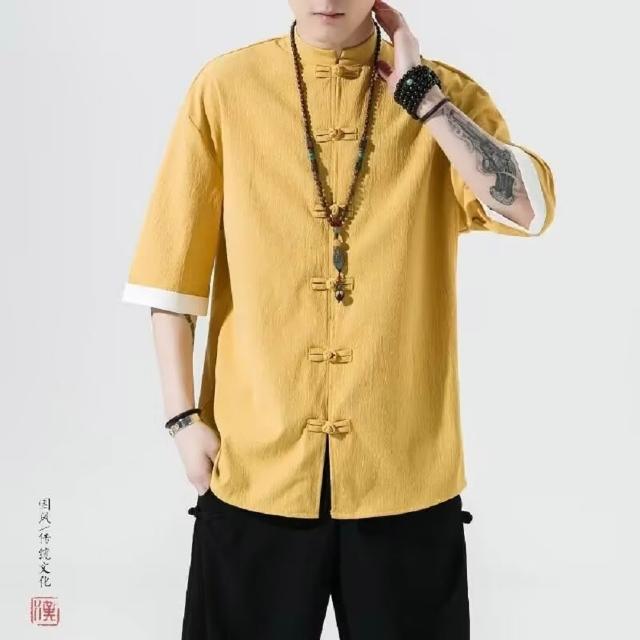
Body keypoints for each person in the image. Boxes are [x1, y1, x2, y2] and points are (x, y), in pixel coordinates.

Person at [122, 1, 556, 637]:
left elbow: (528, 210)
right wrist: (182, 419)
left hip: (404, 472)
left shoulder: (444, 95)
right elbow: (171, 272)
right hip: (254, 466)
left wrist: (426, 102)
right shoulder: (225, 90)